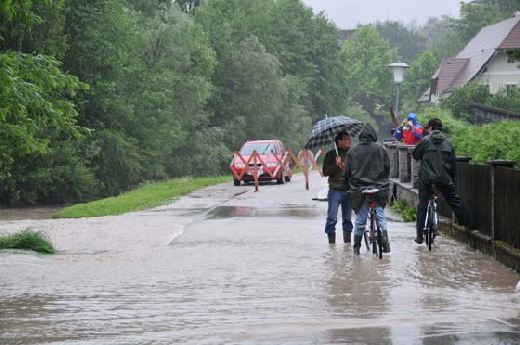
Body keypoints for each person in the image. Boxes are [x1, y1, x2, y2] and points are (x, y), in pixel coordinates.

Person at [412, 118, 469, 244]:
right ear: (441, 129)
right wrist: (452, 180)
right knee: (454, 201)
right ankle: (467, 225)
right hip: (444, 179)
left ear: (430, 128)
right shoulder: (448, 144)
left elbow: (415, 155)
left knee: (422, 205)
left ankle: (419, 235)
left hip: (426, 179)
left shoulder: (425, 141)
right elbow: (453, 165)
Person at [343, 124, 391, 254]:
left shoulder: (352, 151)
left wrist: (345, 182)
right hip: (379, 188)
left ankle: (356, 249)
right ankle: (386, 243)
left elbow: (346, 173)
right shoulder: (381, 149)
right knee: (380, 214)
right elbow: (387, 169)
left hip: (359, 189)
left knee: (360, 219)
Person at [322, 131, 353, 244]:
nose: (349, 141)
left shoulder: (352, 154)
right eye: (346, 139)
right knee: (331, 219)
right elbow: (325, 172)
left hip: (349, 190)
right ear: (339, 141)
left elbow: (355, 171)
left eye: (349, 138)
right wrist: (336, 164)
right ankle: (332, 246)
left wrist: (344, 165)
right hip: (335, 190)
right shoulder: (330, 155)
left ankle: (348, 245)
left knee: (347, 220)